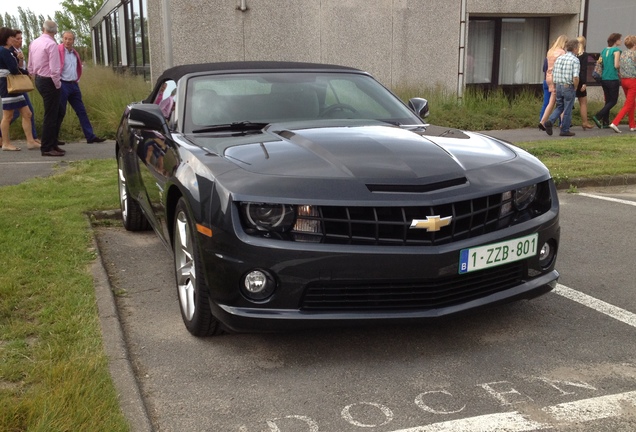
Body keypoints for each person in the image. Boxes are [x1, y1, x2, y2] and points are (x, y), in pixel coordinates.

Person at [57, 30, 106, 144]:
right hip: (63, 83)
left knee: (81, 111)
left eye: (70, 39)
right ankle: (53, 138)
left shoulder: (75, 53)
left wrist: (77, 79)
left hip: (74, 84)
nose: (67, 41)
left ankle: (90, 136)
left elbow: (78, 67)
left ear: (73, 41)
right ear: (62, 39)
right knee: (60, 111)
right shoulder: (58, 51)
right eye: (65, 38)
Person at [28, 20, 65, 157]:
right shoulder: (51, 44)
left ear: (43, 29)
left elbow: (30, 64)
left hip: (39, 78)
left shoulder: (34, 42)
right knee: (51, 114)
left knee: (58, 111)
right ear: (55, 31)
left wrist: (32, 74)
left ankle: (52, 142)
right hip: (49, 80)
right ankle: (47, 147)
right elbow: (54, 68)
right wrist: (57, 84)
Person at [0, 27, 40, 151]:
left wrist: (23, 67)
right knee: (8, 115)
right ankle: (6, 143)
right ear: (6, 38)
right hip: (7, 84)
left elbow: (16, 67)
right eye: (12, 37)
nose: (14, 39)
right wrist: (23, 69)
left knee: (27, 113)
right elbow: (13, 68)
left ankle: (30, 141)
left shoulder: (9, 51)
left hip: (13, 84)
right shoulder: (4, 51)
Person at [543, 39, 580, 137]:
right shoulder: (575, 60)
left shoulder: (560, 58)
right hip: (568, 86)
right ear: (575, 48)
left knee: (560, 106)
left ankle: (550, 121)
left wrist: (555, 85)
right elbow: (575, 76)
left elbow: (554, 72)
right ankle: (565, 129)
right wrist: (575, 87)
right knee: (567, 108)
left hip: (558, 85)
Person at [592, 33, 622, 129]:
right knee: (613, 101)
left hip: (604, 78)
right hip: (613, 77)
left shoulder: (604, 50)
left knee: (608, 100)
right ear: (616, 40)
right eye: (619, 39)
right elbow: (616, 65)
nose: (620, 41)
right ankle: (598, 116)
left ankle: (605, 122)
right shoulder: (617, 50)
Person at [539, 35, 568, 131]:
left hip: (548, 77)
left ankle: (542, 121)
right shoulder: (562, 52)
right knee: (562, 102)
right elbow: (563, 66)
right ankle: (563, 124)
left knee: (551, 101)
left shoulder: (550, 51)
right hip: (557, 78)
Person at [609, 35, 636, 133]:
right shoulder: (635, 54)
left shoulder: (623, 53)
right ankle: (615, 122)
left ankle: (632, 125)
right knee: (629, 104)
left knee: (632, 103)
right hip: (633, 80)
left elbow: (619, 66)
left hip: (624, 80)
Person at [576, 36, 594, 130]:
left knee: (567, 103)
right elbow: (583, 70)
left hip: (571, 80)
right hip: (580, 80)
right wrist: (584, 83)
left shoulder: (573, 54)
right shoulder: (584, 55)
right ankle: (584, 122)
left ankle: (563, 122)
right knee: (583, 102)